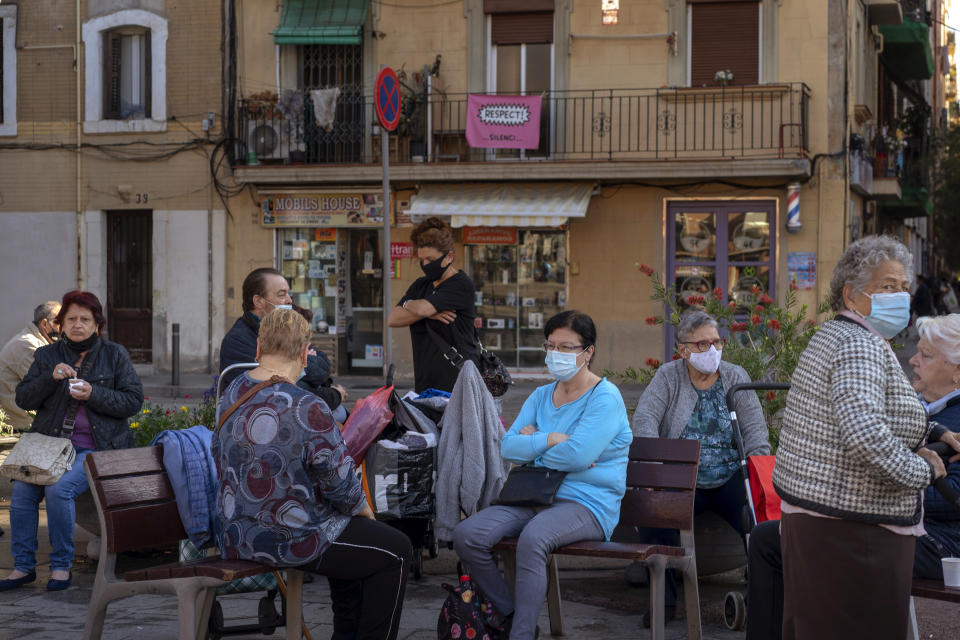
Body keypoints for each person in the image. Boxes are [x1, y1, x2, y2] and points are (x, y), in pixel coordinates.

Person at [772, 235, 960, 640]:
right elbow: (865, 434)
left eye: (903, 286)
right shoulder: (860, 346)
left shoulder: (838, 335)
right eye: (886, 286)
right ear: (851, 295)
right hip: (852, 532)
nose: (900, 295)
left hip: (823, 521)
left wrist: (932, 430)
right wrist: (922, 469)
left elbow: (871, 411)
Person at [214, 308, 412, 640]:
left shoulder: (230, 394)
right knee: (395, 550)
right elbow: (343, 489)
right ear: (305, 354)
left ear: (259, 349)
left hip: (237, 534)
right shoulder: (309, 406)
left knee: (351, 536)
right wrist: (366, 515)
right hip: (289, 538)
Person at [453, 311, 632, 640]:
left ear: (588, 352)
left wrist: (533, 444)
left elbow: (578, 455)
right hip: (534, 495)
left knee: (533, 538)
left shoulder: (605, 397)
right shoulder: (540, 395)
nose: (556, 354)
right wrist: (549, 439)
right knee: (467, 535)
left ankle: (520, 635)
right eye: (551, 346)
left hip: (586, 502)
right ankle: (510, 616)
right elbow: (508, 448)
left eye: (566, 347)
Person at [631, 309, 768, 625]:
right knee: (656, 514)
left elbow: (755, 430)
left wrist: (758, 472)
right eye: (702, 344)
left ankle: (761, 596)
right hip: (681, 476)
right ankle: (663, 602)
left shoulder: (735, 376)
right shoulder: (668, 376)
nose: (712, 351)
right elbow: (645, 419)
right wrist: (654, 466)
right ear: (683, 350)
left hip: (728, 473)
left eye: (717, 343)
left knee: (761, 520)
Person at [0, 291, 142, 592]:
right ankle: (23, 567)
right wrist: (50, 378)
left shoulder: (114, 354)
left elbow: (133, 401)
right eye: (71, 319)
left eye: (85, 319)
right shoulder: (46, 355)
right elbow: (24, 399)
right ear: (60, 324)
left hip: (95, 447)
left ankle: (61, 566)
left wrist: (94, 393)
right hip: (50, 447)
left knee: (60, 489)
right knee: (24, 492)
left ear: (97, 324)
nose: (78, 324)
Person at [219, 267, 346, 419]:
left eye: (288, 293)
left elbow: (323, 365)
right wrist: (335, 394)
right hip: (266, 420)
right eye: (282, 294)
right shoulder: (237, 341)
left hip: (293, 411)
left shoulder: (286, 328)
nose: (289, 300)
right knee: (339, 415)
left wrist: (301, 368)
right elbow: (286, 393)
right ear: (258, 301)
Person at [388, 217, 478, 393]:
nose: (425, 265)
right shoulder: (421, 285)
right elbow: (393, 319)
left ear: (449, 257)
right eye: (422, 260)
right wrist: (425, 310)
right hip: (425, 382)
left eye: (430, 259)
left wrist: (412, 306)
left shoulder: (461, 284)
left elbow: (423, 308)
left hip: (458, 382)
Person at [0, 301, 61, 430]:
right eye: (58, 322)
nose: (64, 327)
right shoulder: (28, 346)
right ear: (44, 324)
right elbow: (49, 389)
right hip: (21, 424)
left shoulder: (34, 340)